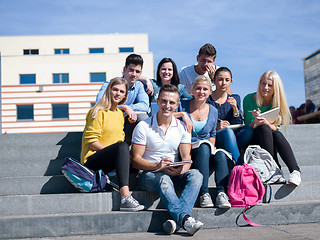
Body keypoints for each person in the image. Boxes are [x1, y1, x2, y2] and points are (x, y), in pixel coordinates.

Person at [131, 84, 204, 236]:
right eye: (164, 101)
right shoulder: (143, 126)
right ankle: (185, 219)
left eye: (171, 103)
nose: (167, 106)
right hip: (149, 175)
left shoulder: (183, 128)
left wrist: (180, 170)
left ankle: (178, 220)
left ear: (177, 105)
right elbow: (135, 160)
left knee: (197, 175)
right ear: (157, 101)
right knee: (163, 178)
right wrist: (157, 165)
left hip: (173, 173)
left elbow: (187, 159)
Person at [81, 77, 145, 211]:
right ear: (109, 90)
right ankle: (125, 198)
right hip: (92, 161)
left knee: (135, 161)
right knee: (122, 147)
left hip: (109, 160)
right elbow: (91, 141)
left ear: (125, 95)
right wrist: (115, 155)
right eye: (115, 89)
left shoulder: (120, 115)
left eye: (122, 91)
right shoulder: (97, 112)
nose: (118, 93)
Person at [179, 75, 231, 209]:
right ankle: (204, 193)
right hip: (188, 149)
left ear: (209, 92)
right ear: (192, 90)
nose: (201, 92)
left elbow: (212, 134)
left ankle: (221, 193)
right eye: (198, 88)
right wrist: (183, 115)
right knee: (203, 147)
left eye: (205, 89)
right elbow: (165, 116)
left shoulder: (213, 111)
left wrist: (212, 146)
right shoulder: (182, 105)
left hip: (205, 151)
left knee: (219, 154)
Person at [243, 70, 301, 186]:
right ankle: (275, 169)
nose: (265, 87)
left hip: (271, 137)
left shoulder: (278, 103)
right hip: (253, 139)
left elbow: (277, 127)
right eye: (263, 83)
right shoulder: (248, 99)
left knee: (275, 133)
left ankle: (295, 171)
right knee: (263, 128)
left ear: (276, 88)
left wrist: (267, 124)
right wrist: (256, 121)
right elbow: (248, 128)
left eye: (270, 85)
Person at [96, 54, 150, 143]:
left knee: (143, 117)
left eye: (137, 71)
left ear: (140, 73)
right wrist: (124, 107)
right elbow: (99, 102)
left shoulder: (139, 85)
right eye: (131, 70)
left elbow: (145, 106)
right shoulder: (109, 84)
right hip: (109, 121)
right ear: (124, 69)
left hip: (127, 122)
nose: (134, 74)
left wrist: (129, 108)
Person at [207, 67, 253, 164]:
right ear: (214, 80)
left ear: (231, 82)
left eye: (227, 80)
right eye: (220, 79)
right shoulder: (207, 100)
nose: (224, 83)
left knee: (248, 130)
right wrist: (217, 128)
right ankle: (238, 164)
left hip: (233, 135)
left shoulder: (235, 98)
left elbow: (238, 123)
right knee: (227, 133)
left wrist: (235, 109)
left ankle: (231, 151)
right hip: (216, 137)